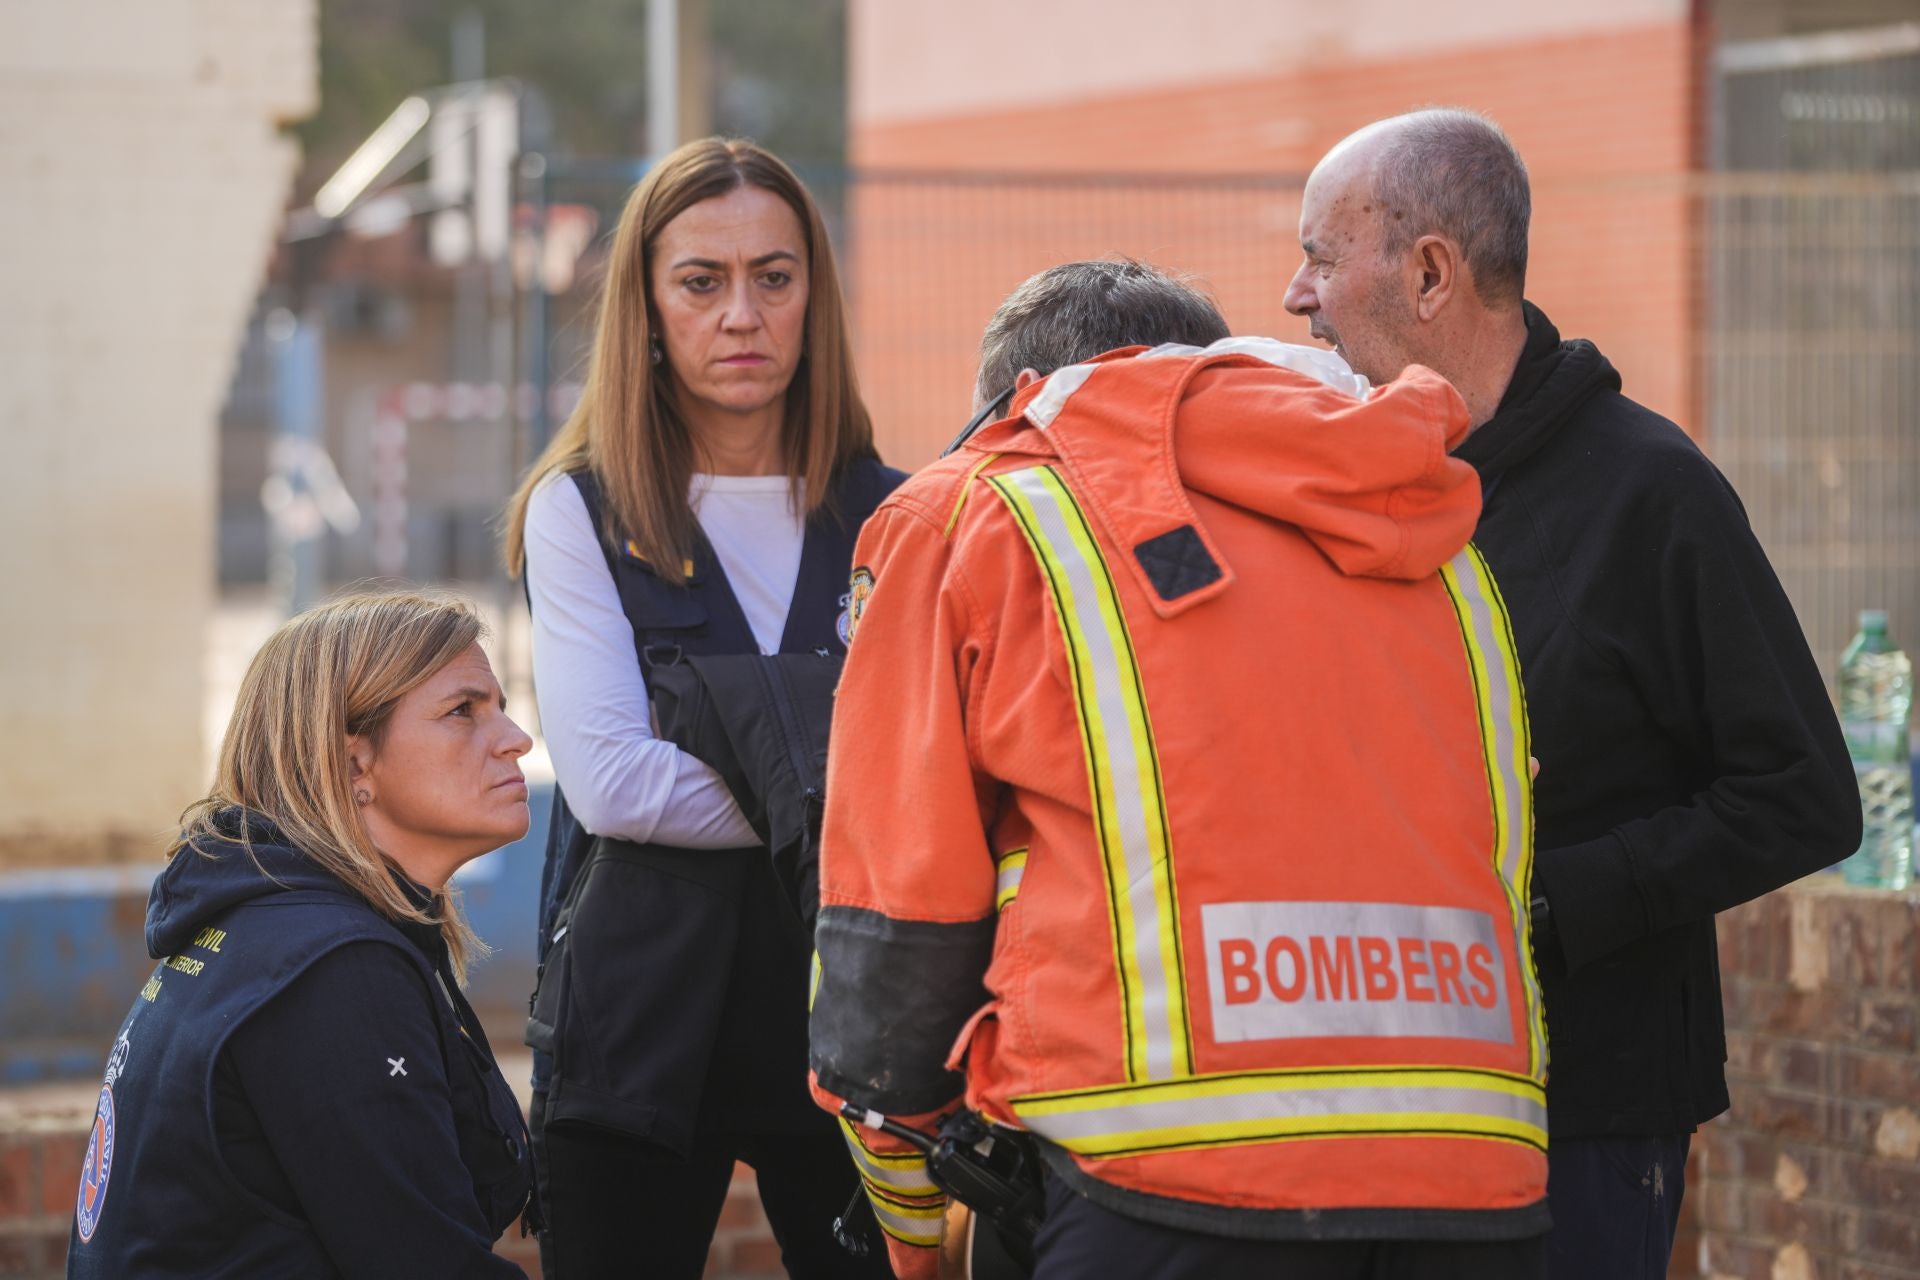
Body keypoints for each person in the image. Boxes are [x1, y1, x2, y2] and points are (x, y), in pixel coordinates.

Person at [809, 259, 1553, 1280]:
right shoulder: (1428, 531)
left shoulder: (982, 508)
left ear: (1013, 405)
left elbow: (897, 913)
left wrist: (909, 1217)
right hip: (1471, 1172)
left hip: (1156, 1182)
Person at [1282, 109, 1860, 1280]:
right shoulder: (1367, 482)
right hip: (1393, 1091)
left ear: (1430, 271)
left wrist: (1548, 907)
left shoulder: (1655, 493)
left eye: (1321, 256)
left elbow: (1803, 794)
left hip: (1587, 1115)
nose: (1298, 295)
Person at [501, 137, 901, 1278]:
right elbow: (613, 782)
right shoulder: (577, 511)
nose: (742, 313)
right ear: (647, 305)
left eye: (774, 277)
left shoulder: (903, 511)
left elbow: (945, 760)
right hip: (636, 1023)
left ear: (813, 297)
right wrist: (843, 783)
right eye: (701, 281)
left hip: (851, 1020)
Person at [65, 590, 536, 1279]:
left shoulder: (275, 926)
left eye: (499, 705)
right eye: (463, 711)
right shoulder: (331, 968)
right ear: (352, 765)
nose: (516, 738)